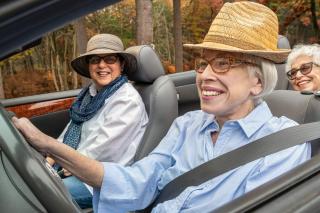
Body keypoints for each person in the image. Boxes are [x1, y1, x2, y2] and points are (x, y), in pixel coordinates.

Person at [13, 2, 310, 212]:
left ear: (258, 83)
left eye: (222, 64)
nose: (205, 75)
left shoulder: (282, 145)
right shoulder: (188, 125)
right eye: (203, 63)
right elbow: (138, 181)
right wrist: (46, 144)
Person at [47, 33, 149, 208]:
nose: (102, 65)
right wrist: (49, 157)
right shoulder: (89, 95)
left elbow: (104, 149)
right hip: (76, 166)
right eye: (95, 60)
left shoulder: (126, 100)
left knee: (37, 192)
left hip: (101, 179)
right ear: (89, 66)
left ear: (121, 64)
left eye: (110, 59)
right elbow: (70, 132)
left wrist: (60, 164)